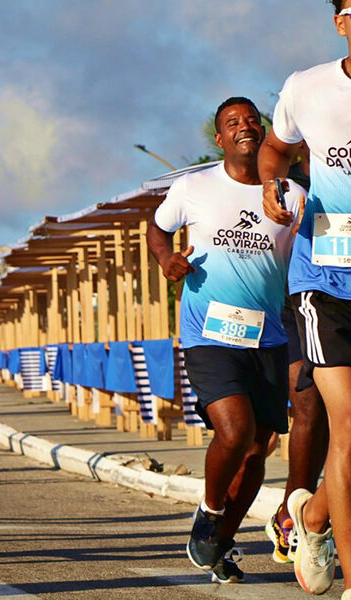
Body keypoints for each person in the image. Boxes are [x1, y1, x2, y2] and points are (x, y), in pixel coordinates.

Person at [148, 97, 303, 584]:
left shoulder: (291, 195)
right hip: (208, 332)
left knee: (258, 447)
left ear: (263, 131)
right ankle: (210, 511)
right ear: (220, 139)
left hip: (268, 335)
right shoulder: (194, 186)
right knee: (234, 431)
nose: (245, 127)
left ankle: (221, 542)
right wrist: (167, 261)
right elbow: (156, 229)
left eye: (252, 120)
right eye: (232, 123)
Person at [259, 4, 351, 593]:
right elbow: (275, 153)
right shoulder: (308, 87)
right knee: (348, 423)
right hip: (327, 277)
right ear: (342, 22)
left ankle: (312, 515)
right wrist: (273, 185)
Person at [265, 145, 328, 567]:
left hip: (337, 297)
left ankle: (304, 510)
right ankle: (294, 517)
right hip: (294, 303)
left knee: (329, 413)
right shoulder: (283, 189)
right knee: (308, 406)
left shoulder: (333, 189)